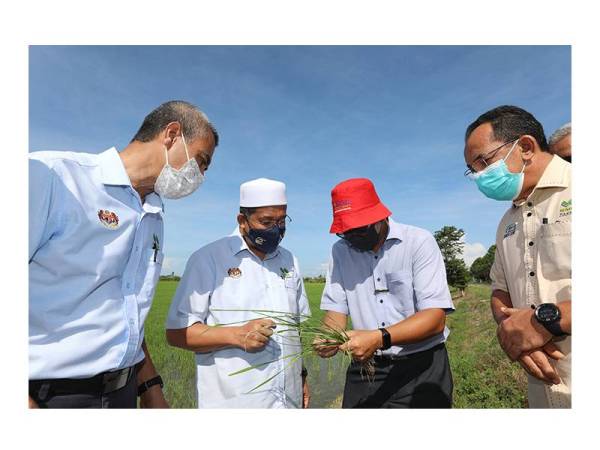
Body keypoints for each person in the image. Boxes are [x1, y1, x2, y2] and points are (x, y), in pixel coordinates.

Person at [29, 100, 218, 408]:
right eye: (201, 161)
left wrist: (151, 388)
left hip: (122, 391)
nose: (201, 176)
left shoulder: (153, 214)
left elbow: (128, 312)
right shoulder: (54, 177)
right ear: (171, 134)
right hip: (51, 395)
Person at [165, 178, 311, 408]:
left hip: (287, 400)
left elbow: (297, 329)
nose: (277, 229)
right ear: (242, 220)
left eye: (282, 221)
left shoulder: (290, 260)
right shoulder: (208, 259)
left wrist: (301, 375)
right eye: (266, 222)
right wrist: (236, 335)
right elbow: (177, 333)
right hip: (235, 404)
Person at [463, 105, 571, 408]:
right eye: (474, 170)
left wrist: (545, 322)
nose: (480, 176)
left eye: (484, 162)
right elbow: (500, 288)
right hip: (545, 393)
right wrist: (508, 328)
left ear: (525, 147)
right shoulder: (508, 221)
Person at [315, 178, 455, 408]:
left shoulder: (418, 242)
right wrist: (328, 338)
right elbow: (336, 311)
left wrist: (379, 338)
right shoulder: (341, 251)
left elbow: (435, 318)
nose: (353, 237)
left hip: (421, 367)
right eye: (346, 232)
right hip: (366, 369)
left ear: (379, 216)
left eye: (359, 229)